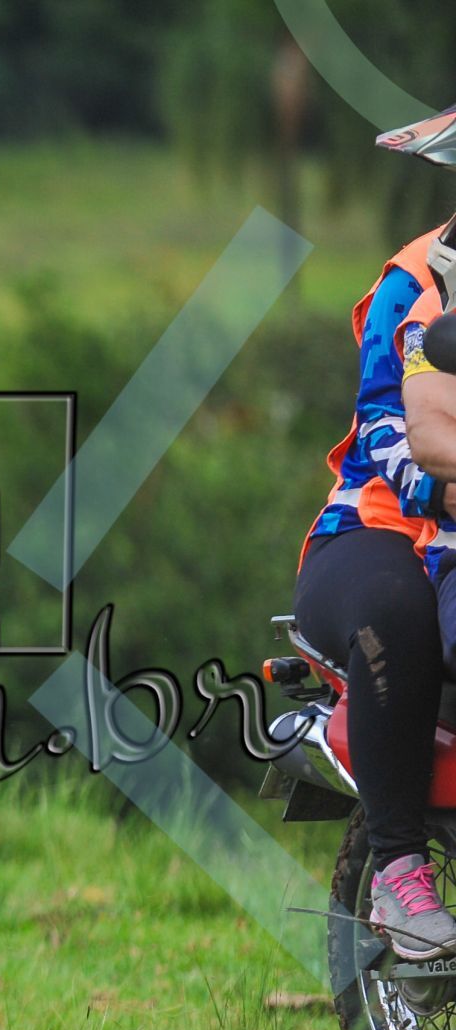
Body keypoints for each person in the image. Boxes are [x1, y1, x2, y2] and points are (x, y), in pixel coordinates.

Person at [295, 118, 456, 958]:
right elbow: (390, 434)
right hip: (380, 526)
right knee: (398, 611)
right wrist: (444, 489)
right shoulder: (417, 280)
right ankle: (398, 869)